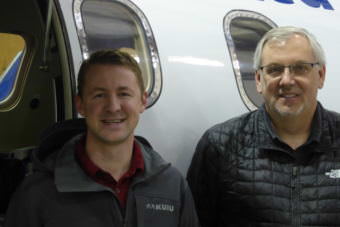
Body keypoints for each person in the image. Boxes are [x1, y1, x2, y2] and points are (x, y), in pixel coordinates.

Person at [5, 49, 199, 227]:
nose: (113, 106)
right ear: (80, 104)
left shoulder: (172, 185)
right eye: (99, 95)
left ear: (142, 101)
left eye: (124, 94)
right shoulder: (37, 193)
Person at [187, 26, 340, 226]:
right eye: (274, 70)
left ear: (320, 75)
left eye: (300, 68)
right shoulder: (221, 145)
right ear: (259, 80)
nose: (286, 80)